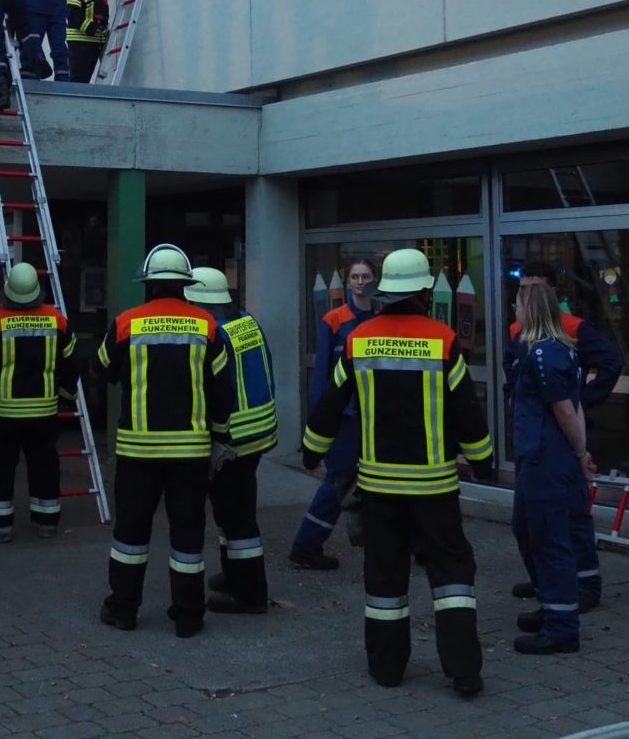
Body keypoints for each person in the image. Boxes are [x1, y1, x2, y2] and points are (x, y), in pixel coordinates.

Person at [302, 248, 494, 695]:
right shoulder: (442, 339)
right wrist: (483, 464)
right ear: (425, 291)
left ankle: (387, 668)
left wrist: (313, 453)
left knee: (385, 577)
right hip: (434, 486)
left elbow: (330, 405)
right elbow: (467, 411)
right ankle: (463, 670)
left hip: (378, 487)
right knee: (451, 574)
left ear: (384, 292)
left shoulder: (358, 339)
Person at [94, 244, 233, 638]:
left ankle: (123, 609)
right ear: (185, 285)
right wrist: (220, 436)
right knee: (187, 536)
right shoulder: (207, 326)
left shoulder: (126, 323)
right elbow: (223, 391)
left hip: (137, 453)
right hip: (190, 454)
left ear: (149, 285)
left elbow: (101, 368)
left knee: (130, 536)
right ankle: (188, 616)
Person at [504, 259, 620, 607]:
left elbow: (609, 363)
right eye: (523, 288)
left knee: (569, 520)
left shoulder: (569, 328)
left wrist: (579, 401)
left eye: (534, 287)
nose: (526, 295)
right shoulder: (517, 330)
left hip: (559, 440)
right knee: (535, 524)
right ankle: (550, 584)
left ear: (551, 291)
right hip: (542, 437)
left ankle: (581, 588)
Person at [510, 282, 598, 655]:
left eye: (517, 304)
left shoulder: (546, 354)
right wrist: (581, 452)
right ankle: (552, 607)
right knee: (528, 531)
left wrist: (580, 454)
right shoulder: (553, 351)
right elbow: (573, 405)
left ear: (530, 309)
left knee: (548, 539)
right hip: (539, 458)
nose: (514, 310)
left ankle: (561, 626)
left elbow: (565, 408)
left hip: (546, 461)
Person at [184, 266, 277, 615]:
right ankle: (235, 575)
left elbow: (210, 390)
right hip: (258, 432)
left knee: (237, 521)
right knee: (232, 514)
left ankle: (250, 594)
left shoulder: (212, 334)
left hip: (232, 440)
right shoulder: (246, 321)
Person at [0, 263, 79, 542]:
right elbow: (71, 366)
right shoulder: (57, 320)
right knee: (44, 466)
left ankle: (1, 527)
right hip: (44, 412)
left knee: (1, 469)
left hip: (3, 415)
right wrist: (66, 400)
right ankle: (47, 523)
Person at [291, 258, 377, 569]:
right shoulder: (334, 320)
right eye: (355, 276)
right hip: (347, 416)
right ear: (348, 281)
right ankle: (306, 544)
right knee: (339, 480)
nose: (360, 282)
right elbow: (323, 374)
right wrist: (319, 419)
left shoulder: (381, 316)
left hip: (375, 413)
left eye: (365, 276)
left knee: (378, 480)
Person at [66, 0, 125, 83]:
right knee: (79, 81)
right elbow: (73, 17)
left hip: (98, 40)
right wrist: (93, 28)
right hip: (80, 43)